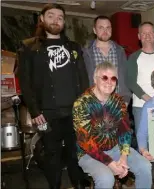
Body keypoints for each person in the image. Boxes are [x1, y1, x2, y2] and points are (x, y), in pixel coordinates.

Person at [17, 4, 88, 189]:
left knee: (76, 154)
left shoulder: (73, 47)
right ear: (42, 18)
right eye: (51, 16)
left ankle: (78, 185)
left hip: (75, 112)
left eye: (60, 17)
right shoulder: (28, 47)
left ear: (64, 22)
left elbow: (83, 78)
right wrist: (34, 111)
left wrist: (85, 107)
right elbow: (26, 84)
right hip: (45, 115)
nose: (55, 20)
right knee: (52, 155)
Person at [73, 62, 152, 189]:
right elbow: (85, 141)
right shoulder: (82, 103)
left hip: (115, 148)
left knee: (145, 166)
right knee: (106, 179)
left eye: (113, 78)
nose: (109, 82)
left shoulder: (118, 101)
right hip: (89, 153)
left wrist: (124, 157)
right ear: (95, 79)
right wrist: (110, 163)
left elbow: (125, 131)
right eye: (104, 78)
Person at [126, 22, 154, 135]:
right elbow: (130, 82)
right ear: (139, 36)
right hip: (141, 106)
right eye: (144, 33)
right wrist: (150, 100)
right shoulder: (134, 57)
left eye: (150, 33)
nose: (147, 36)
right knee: (143, 141)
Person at [83, 15, 131, 104]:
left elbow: (126, 77)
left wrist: (126, 101)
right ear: (94, 30)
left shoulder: (120, 51)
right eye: (101, 27)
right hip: (94, 104)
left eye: (108, 27)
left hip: (118, 103)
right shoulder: (85, 53)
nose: (105, 31)